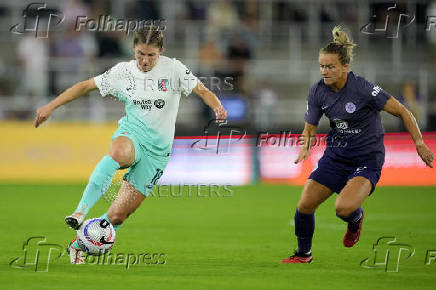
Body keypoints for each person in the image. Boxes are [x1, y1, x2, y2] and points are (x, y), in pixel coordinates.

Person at [34, 26, 228, 264]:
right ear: (133, 49)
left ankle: (79, 244)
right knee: (119, 152)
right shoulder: (122, 72)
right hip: (132, 133)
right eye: (140, 54)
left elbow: (202, 90)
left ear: (161, 52)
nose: (145, 61)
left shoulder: (174, 69)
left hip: (157, 153)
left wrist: (217, 106)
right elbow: (85, 86)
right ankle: (80, 211)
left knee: (117, 215)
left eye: (151, 55)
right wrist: (50, 107)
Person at [281, 26, 434, 264]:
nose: (325, 71)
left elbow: (403, 111)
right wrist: (304, 147)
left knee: (343, 209)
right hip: (335, 157)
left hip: (366, 160)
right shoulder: (318, 91)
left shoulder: (364, 89)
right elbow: (310, 127)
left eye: (330, 66)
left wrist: (419, 143)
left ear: (345, 67)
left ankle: (355, 219)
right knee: (304, 205)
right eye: (322, 66)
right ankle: (304, 255)